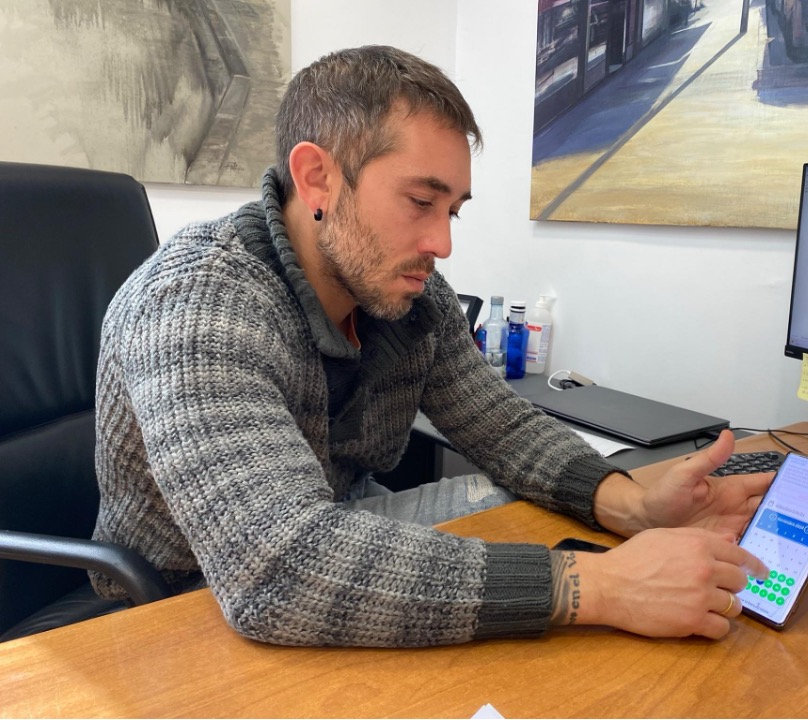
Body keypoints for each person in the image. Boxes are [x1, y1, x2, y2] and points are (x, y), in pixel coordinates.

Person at [91, 45, 771, 648]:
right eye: (421, 201)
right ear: (317, 177)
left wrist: (633, 506)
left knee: (515, 507)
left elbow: (503, 430)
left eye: (453, 211)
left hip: (331, 528)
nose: (442, 244)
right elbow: (278, 571)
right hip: (178, 599)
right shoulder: (197, 305)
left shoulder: (414, 298)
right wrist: (603, 586)